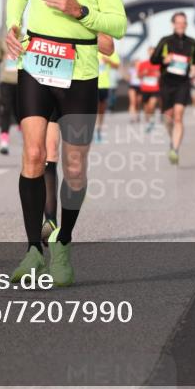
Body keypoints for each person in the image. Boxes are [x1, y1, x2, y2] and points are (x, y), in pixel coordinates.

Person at [4, 0, 125, 287]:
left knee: (74, 168)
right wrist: (11, 24)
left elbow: (118, 24)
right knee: (35, 153)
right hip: (35, 64)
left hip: (81, 71)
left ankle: (63, 244)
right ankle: (32, 251)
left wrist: (80, 11)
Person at [40, 34, 116, 243]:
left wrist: (77, 29)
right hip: (50, 83)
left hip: (79, 89)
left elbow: (108, 47)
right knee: (49, 153)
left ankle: (65, 233)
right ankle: (50, 221)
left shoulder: (88, 15)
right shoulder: (47, 10)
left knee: (74, 166)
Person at [149, 12, 195, 165]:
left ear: (186, 25)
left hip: (183, 83)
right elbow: (153, 60)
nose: (181, 25)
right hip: (167, 82)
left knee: (178, 115)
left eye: (184, 23)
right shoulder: (165, 40)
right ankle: (173, 140)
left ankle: (175, 149)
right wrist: (165, 59)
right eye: (178, 22)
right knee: (168, 117)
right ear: (173, 24)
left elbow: (194, 62)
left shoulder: (192, 42)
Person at [0, 39, 19, 155]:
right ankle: (4, 142)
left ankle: (24, 135)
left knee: (20, 112)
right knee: (5, 110)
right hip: (6, 80)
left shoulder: (27, 39)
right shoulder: (3, 41)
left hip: (22, 81)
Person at [95, 34, 119, 144]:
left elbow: (117, 65)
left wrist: (108, 61)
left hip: (104, 84)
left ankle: (98, 131)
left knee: (101, 110)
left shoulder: (108, 50)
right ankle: (90, 131)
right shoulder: (90, 48)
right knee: (91, 110)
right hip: (91, 83)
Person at [136, 47, 160, 132]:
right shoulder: (143, 64)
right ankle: (148, 122)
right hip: (145, 89)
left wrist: (159, 75)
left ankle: (151, 119)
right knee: (146, 108)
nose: (152, 54)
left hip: (155, 88)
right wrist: (143, 73)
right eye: (150, 53)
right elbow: (138, 76)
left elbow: (164, 76)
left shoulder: (159, 64)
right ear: (148, 53)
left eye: (153, 53)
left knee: (152, 105)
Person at [126, 57, 142, 123]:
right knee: (132, 102)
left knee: (138, 102)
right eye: (137, 63)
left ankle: (137, 114)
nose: (138, 64)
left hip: (140, 86)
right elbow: (127, 77)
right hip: (132, 86)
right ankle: (132, 117)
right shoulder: (131, 70)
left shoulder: (142, 70)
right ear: (134, 63)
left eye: (139, 63)